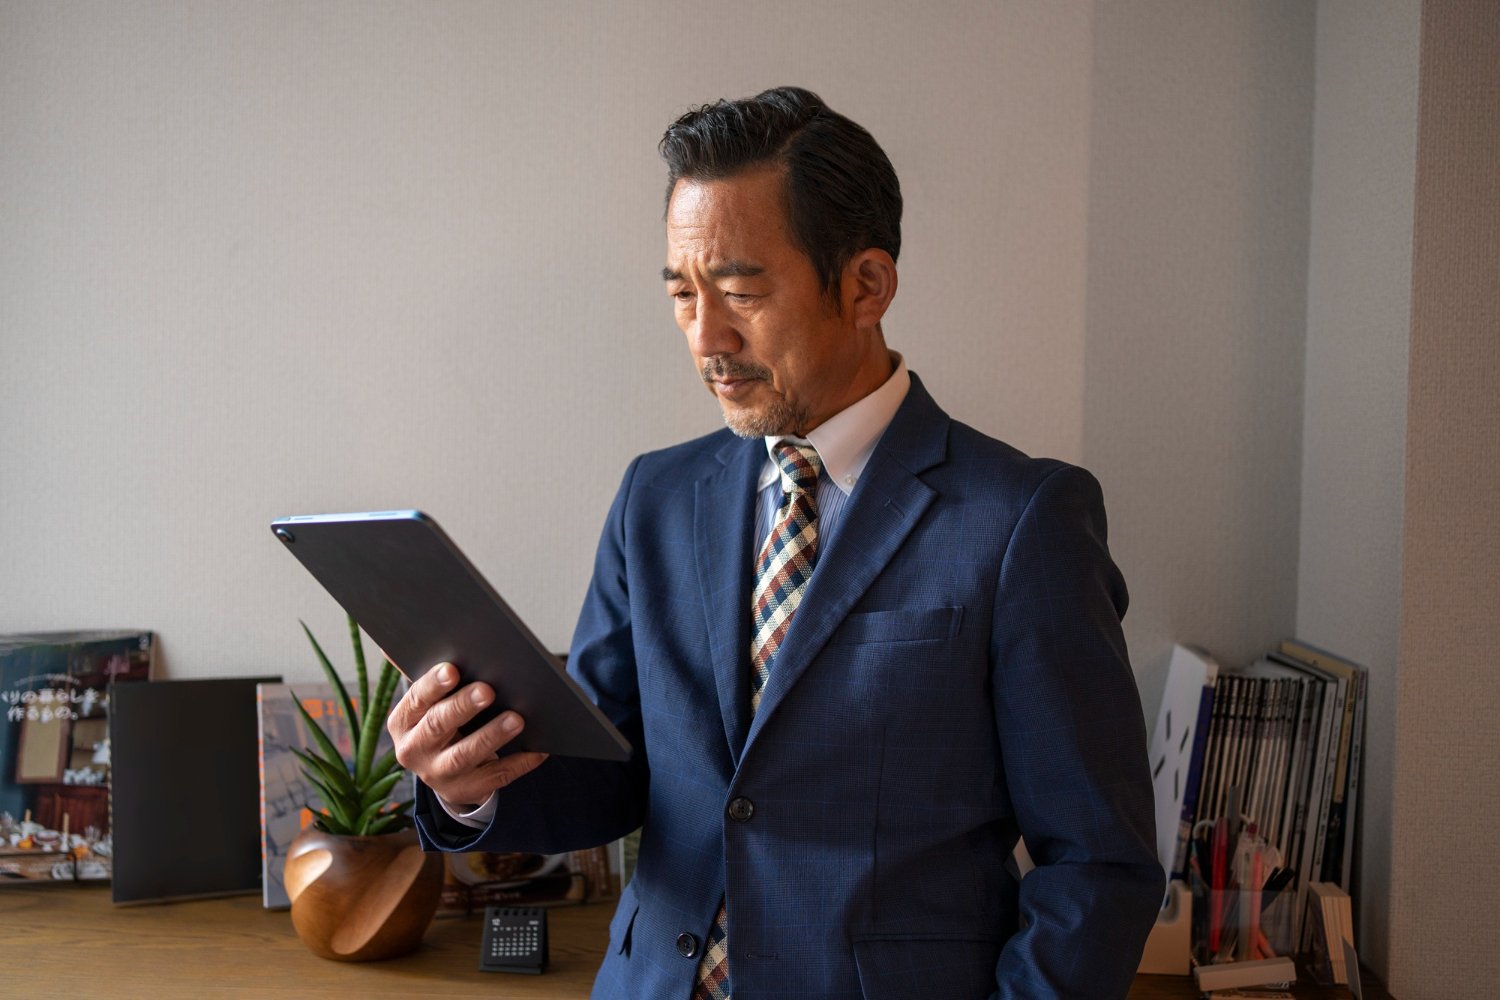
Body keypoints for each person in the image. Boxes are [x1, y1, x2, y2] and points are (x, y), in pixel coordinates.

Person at [389, 86, 1163, 999]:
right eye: (683, 294)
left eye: (742, 292)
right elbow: (609, 781)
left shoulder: (1023, 519)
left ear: (867, 285)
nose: (707, 339)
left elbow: (1097, 866)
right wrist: (467, 783)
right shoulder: (656, 495)